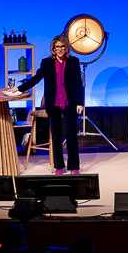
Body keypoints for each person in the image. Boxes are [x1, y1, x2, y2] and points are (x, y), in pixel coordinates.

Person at [18, 35, 84, 174]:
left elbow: (78, 84)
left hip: (69, 102)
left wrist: (80, 102)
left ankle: (74, 167)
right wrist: (19, 89)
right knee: (56, 136)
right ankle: (59, 166)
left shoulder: (73, 61)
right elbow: (36, 79)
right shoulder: (47, 63)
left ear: (66, 48)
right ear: (53, 49)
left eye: (62, 47)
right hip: (53, 103)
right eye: (57, 47)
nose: (60, 50)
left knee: (71, 135)